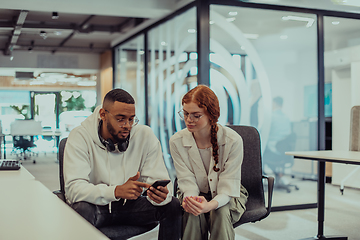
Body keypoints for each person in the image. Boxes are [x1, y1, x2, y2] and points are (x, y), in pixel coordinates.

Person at [64, 88, 182, 240]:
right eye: (120, 119)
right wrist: (116, 191)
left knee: (172, 205)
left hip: (131, 208)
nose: (127, 125)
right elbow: (73, 189)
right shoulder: (80, 136)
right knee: (81, 208)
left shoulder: (144, 136)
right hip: (96, 207)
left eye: (131, 119)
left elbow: (158, 180)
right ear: (103, 115)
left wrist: (160, 196)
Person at [169, 85, 248, 240]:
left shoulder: (233, 141)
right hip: (192, 191)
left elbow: (227, 188)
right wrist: (193, 201)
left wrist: (209, 205)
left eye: (196, 115)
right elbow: (186, 181)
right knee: (192, 211)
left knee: (220, 211)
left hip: (229, 193)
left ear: (211, 115)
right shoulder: (176, 141)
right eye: (185, 114)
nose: (188, 120)